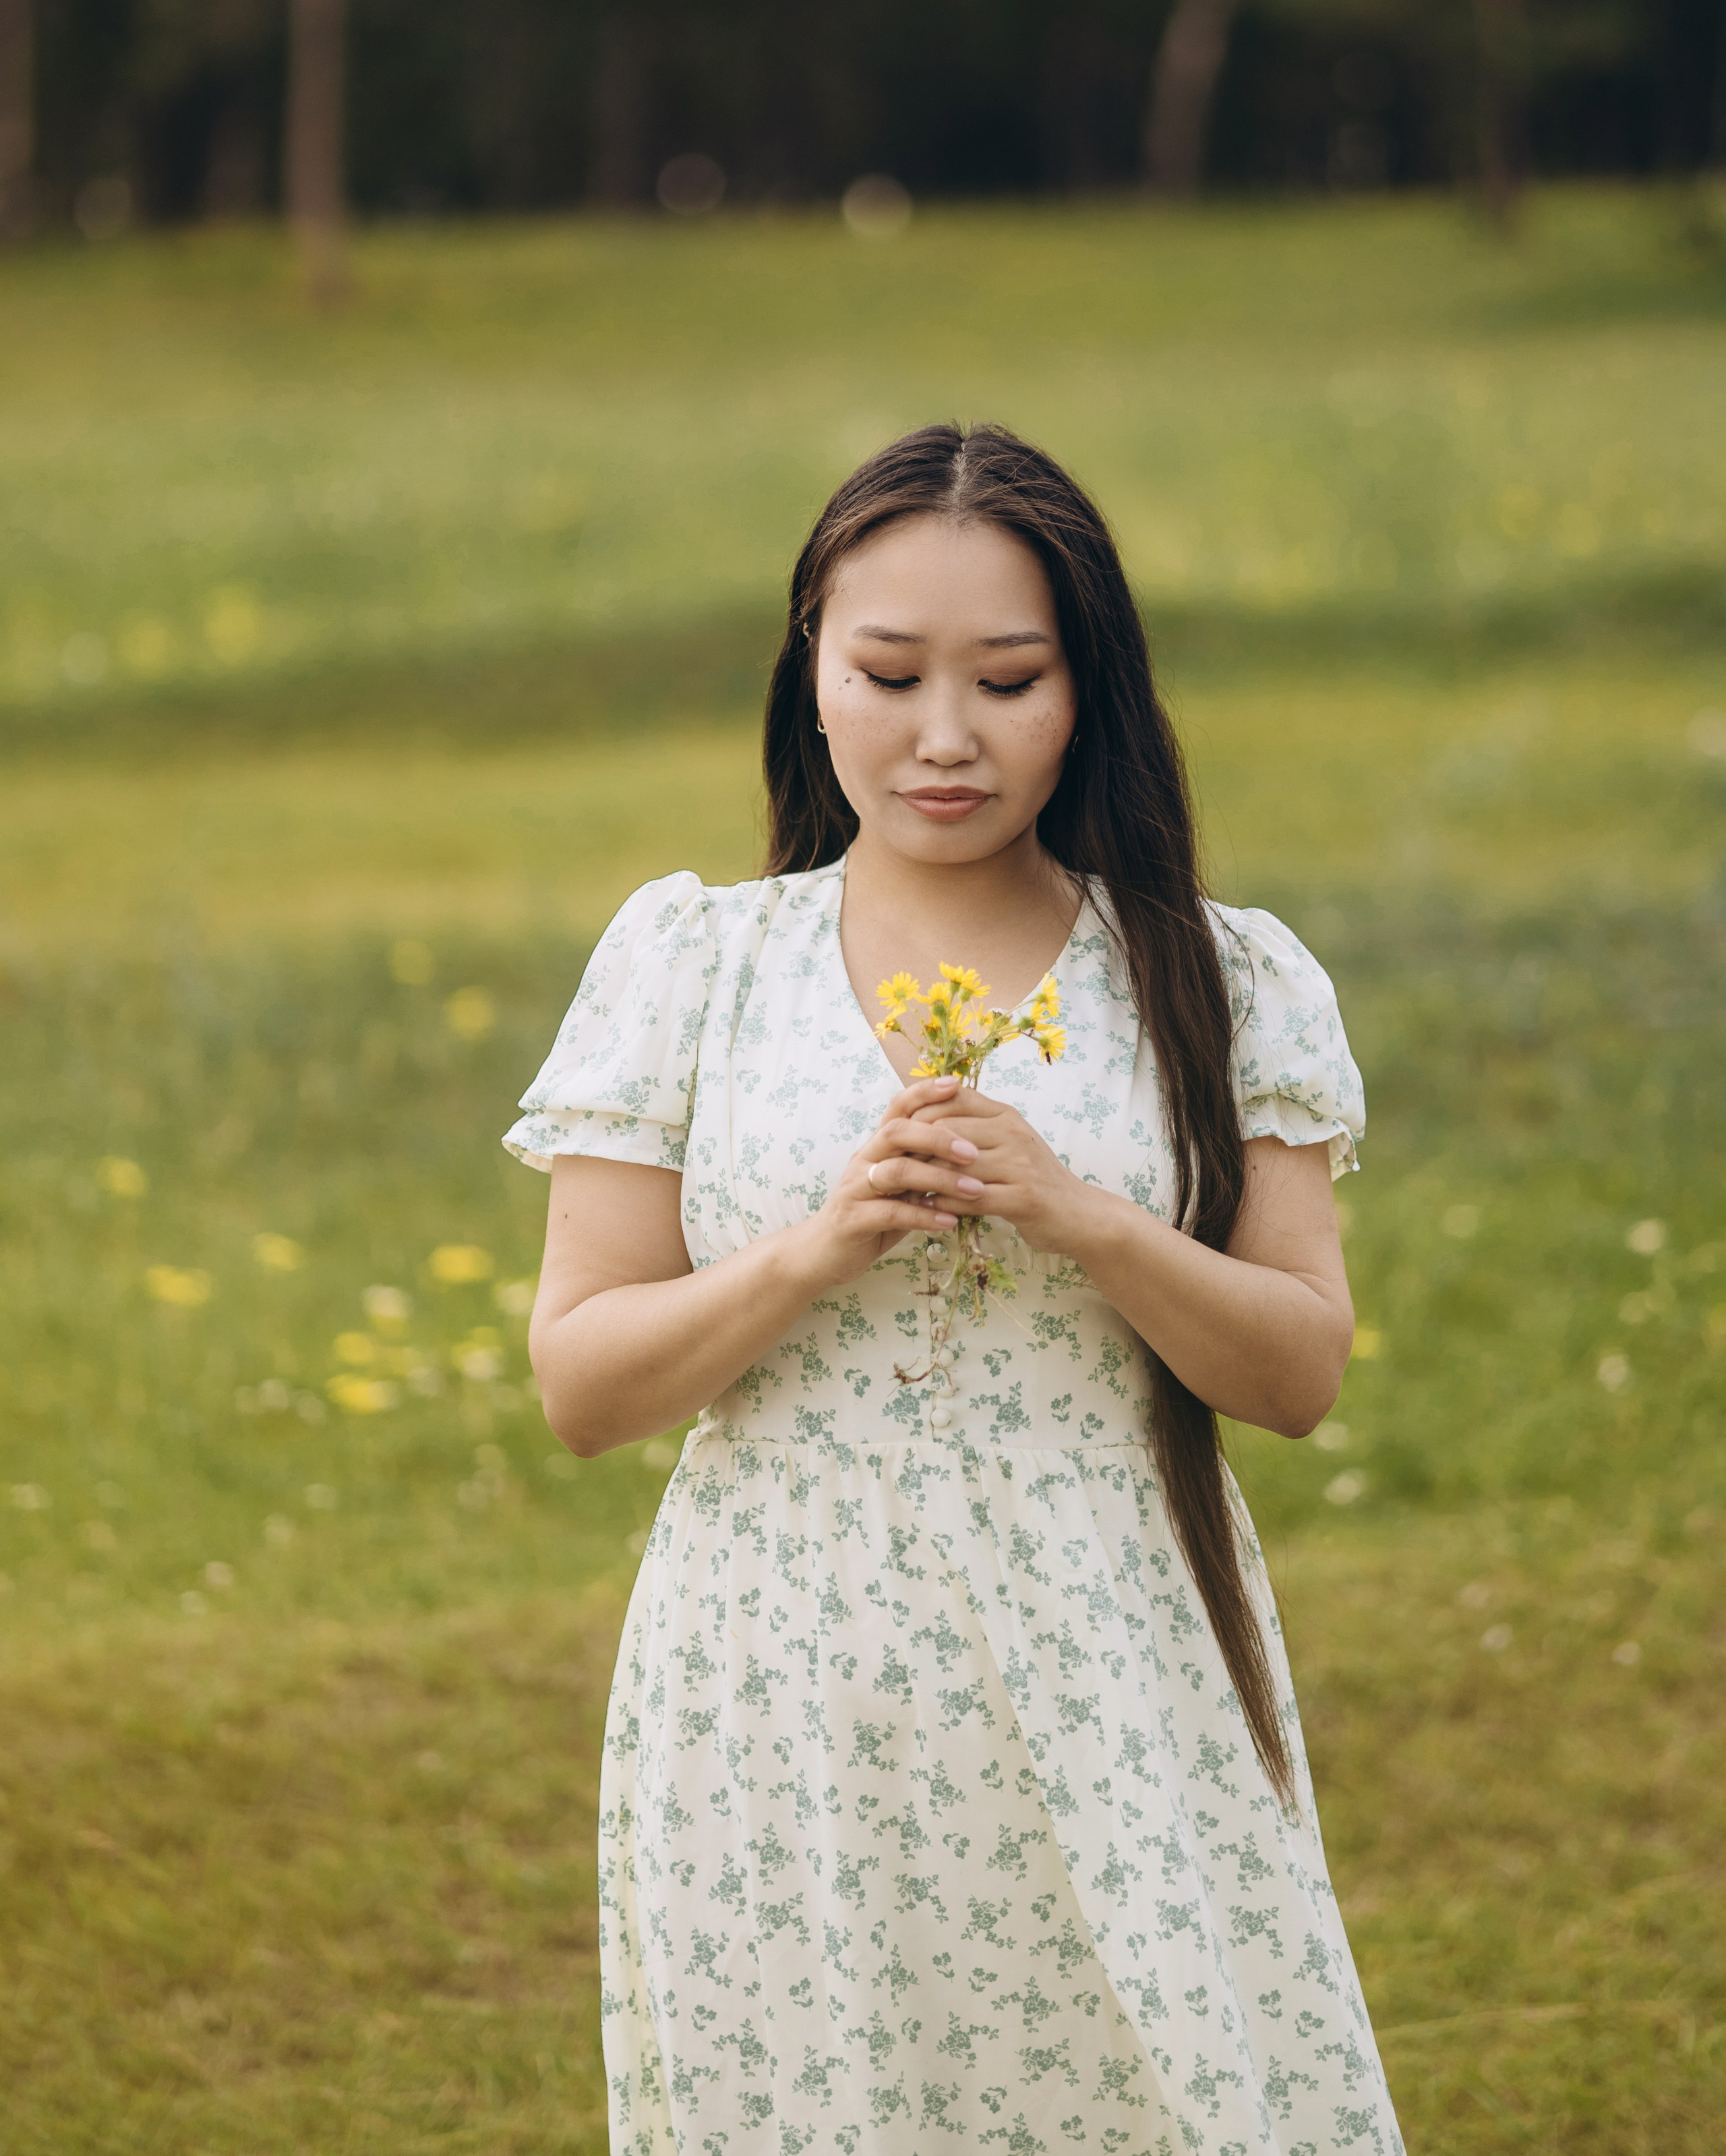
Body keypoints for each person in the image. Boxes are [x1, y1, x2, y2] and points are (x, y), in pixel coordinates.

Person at [506, 422, 1404, 2155]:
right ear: (810, 673)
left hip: (1111, 1656)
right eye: (887, 672)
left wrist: (1088, 1220)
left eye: (1006, 679)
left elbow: (1295, 1374)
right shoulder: (694, 966)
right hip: (777, 1679)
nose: (942, 736)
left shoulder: (1217, 976)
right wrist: (816, 1245)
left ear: (1085, 692)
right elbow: (582, 1387)